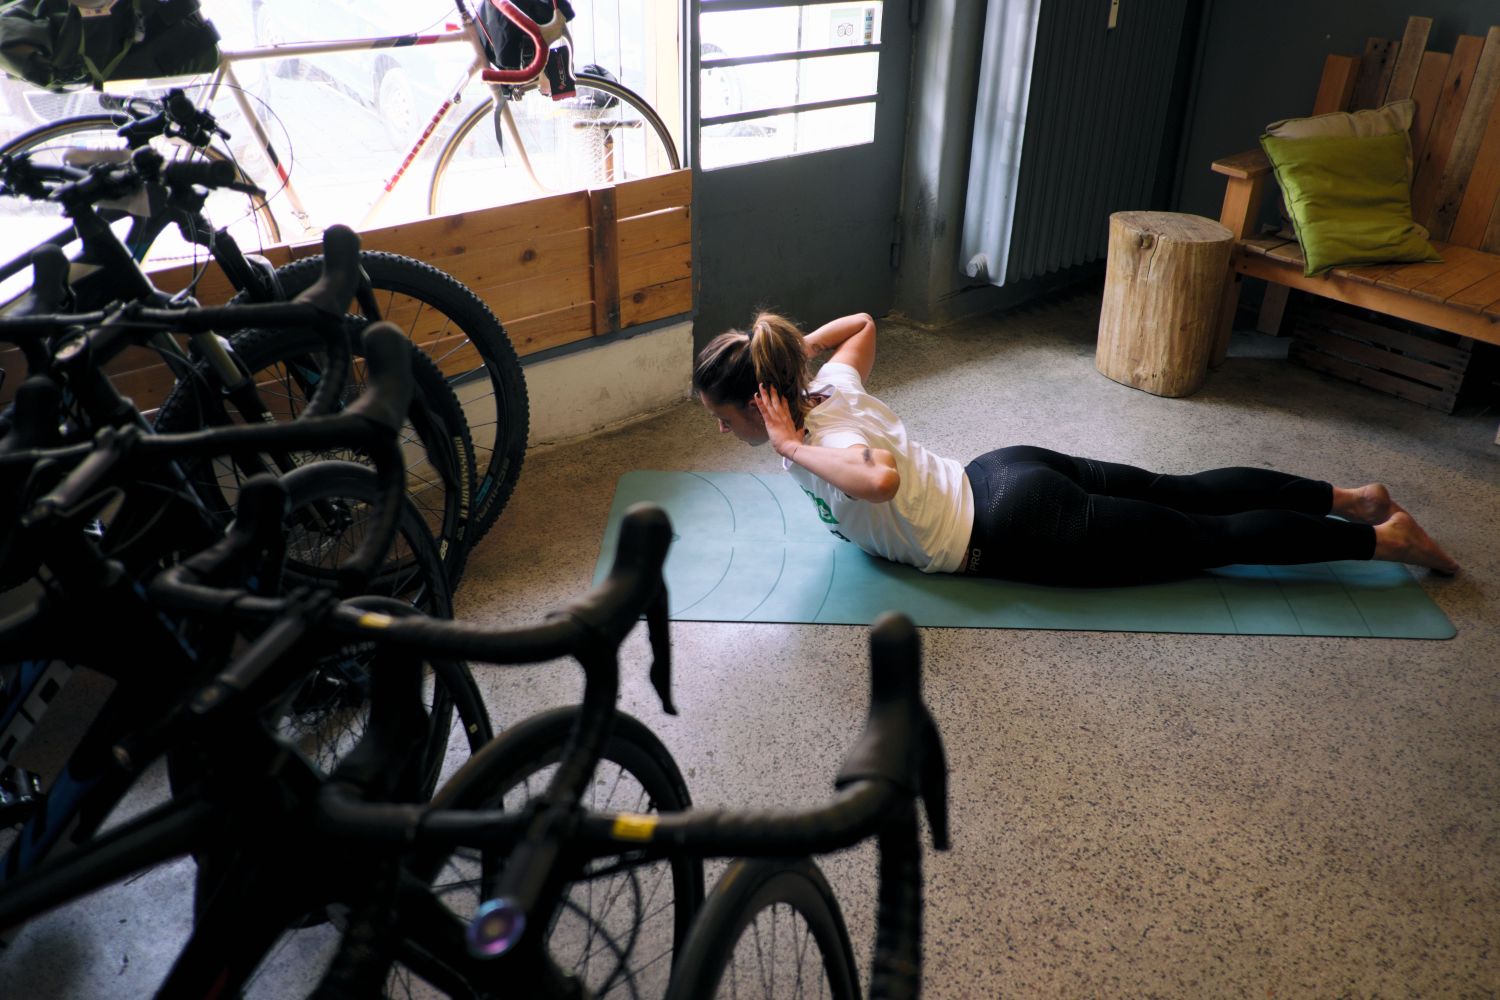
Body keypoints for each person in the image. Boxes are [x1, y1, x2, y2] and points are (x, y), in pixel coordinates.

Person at [692, 311, 1459, 586]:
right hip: (1001, 469)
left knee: (1207, 537)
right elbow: (861, 323)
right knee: (1180, 488)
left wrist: (792, 447)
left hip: (1014, 525)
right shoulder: (829, 388)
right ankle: (1351, 498)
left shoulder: (823, 434)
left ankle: (1381, 540)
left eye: (725, 419)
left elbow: (880, 480)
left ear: (756, 409)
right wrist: (789, 363)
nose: (725, 432)